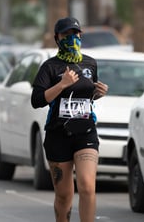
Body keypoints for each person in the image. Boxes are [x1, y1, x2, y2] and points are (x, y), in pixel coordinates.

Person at [31, 17, 108, 222]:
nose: (72, 38)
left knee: (87, 186)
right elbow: (37, 100)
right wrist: (62, 85)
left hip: (85, 132)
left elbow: (86, 95)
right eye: (66, 35)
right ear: (57, 38)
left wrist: (98, 93)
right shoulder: (50, 67)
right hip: (58, 134)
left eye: (75, 34)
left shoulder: (90, 63)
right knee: (64, 195)